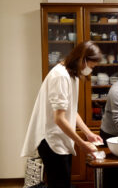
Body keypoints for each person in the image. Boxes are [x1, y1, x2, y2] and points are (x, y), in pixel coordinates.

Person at [21, 41, 103, 188]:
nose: (91, 70)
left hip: (60, 138)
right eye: (91, 66)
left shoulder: (72, 75)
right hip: (51, 140)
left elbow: (70, 110)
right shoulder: (60, 76)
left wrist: (88, 133)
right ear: (82, 59)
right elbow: (59, 118)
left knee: (62, 183)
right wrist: (82, 144)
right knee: (59, 184)